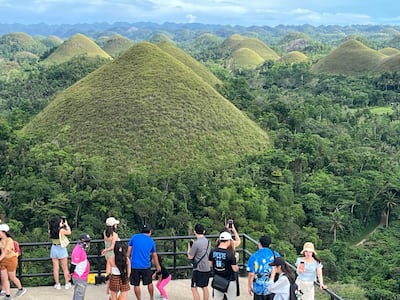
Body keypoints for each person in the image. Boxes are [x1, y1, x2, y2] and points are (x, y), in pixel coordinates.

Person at [127, 223, 161, 300]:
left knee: (136, 284)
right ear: (150, 232)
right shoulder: (151, 241)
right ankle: (151, 298)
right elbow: (154, 255)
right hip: (145, 265)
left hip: (134, 265)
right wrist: (158, 266)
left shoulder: (134, 237)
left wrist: (127, 261)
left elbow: (128, 252)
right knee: (149, 282)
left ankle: (139, 299)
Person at [247, 235, 280, 300]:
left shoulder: (254, 257)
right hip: (272, 287)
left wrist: (249, 286)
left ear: (259, 243)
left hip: (258, 288)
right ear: (269, 244)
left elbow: (251, 274)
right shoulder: (275, 254)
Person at [208, 231, 239, 300]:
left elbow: (210, 264)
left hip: (217, 279)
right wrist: (236, 262)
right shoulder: (230, 254)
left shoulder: (213, 251)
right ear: (228, 241)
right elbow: (235, 269)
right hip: (229, 280)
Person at [0, 224, 27, 299]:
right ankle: (8, 295)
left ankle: (20, 288)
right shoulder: (1, 241)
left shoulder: (9, 240)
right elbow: (2, 252)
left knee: (12, 277)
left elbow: (6, 252)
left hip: (11, 259)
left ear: (3, 232)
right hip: (3, 260)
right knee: (4, 278)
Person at [187, 223, 211, 300]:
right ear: (204, 231)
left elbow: (190, 256)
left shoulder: (196, 243)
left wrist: (189, 248)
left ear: (195, 232)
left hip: (198, 269)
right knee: (205, 287)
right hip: (207, 267)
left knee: (194, 287)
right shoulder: (208, 242)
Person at [49, 216, 72, 290]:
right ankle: (67, 283)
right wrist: (66, 225)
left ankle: (57, 284)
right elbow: (69, 232)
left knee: (56, 268)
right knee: (65, 268)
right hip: (61, 248)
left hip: (54, 248)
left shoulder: (51, 230)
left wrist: (60, 225)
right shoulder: (61, 231)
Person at [70, 233, 91, 300]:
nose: (88, 243)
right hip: (79, 276)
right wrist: (70, 274)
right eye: (87, 242)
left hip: (82, 276)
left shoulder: (81, 248)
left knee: (79, 295)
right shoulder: (77, 251)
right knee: (79, 295)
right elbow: (73, 265)